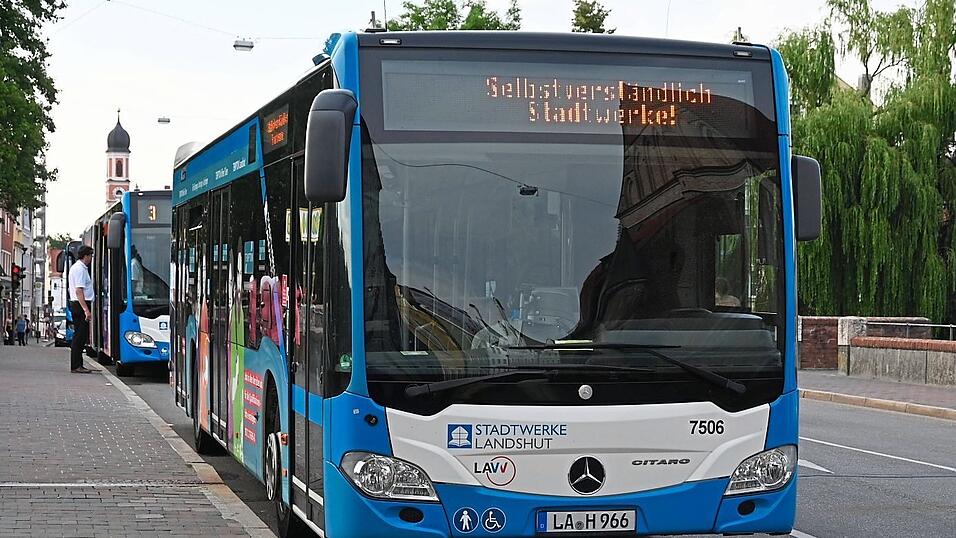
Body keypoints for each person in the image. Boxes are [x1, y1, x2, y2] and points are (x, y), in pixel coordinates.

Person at [68, 245, 95, 373]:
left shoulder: (78, 267)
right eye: (90, 255)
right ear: (86, 256)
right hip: (80, 304)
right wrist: (86, 310)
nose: (91, 258)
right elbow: (79, 290)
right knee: (79, 336)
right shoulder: (80, 269)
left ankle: (79, 364)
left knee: (80, 336)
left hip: (78, 304)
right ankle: (76, 365)